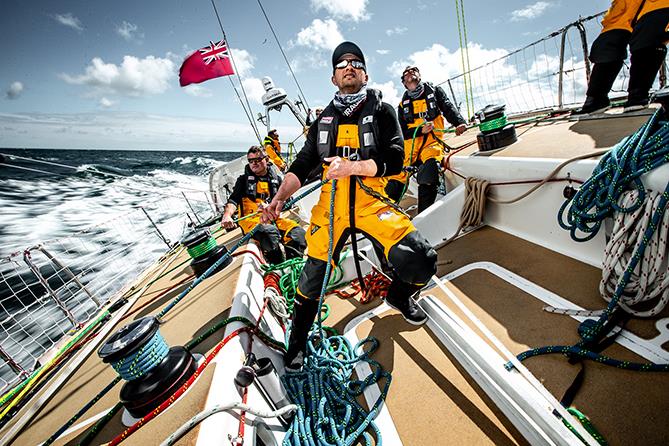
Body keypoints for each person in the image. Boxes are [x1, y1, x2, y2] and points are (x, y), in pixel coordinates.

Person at [261, 41, 438, 369]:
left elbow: (396, 159)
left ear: (366, 74)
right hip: (331, 210)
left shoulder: (383, 112)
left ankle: (399, 295)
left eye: (356, 62)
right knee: (312, 279)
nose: (349, 67)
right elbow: (301, 165)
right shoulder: (322, 123)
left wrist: (352, 167)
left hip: (373, 203)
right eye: (342, 64)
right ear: (333, 78)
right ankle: (297, 342)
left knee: (422, 260)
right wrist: (278, 198)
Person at [385, 66, 467, 213]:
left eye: (413, 71)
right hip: (410, 148)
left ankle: (423, 215)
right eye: (406, 74)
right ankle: (386, 211)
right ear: (404, 83)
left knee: (429, 170)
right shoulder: (402, 105)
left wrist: (459, 122)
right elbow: (402, 131)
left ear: (419, 76)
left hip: (431, 143)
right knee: (396, 177)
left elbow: (448, 107)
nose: (410, 73)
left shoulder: (435, 92)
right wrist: (420, 131)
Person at [574, 0, 669, 115]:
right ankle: (596, 99)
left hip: (655, 4)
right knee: (604, 47)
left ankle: (637, 94)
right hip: (622, 9)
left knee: (647, 37)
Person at [221, 146, 306, 264]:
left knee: (298, 233)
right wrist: (227, 215)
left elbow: (286, 201)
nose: (254, 163)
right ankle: (277, 267)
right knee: (268, 232)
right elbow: (233, 201)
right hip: (252, 222)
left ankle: (293, 265)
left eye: (257, 160)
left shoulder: (277, 180)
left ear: (266, 159)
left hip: (273, 219)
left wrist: (274, 206)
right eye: (250, 161)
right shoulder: (242, 181)